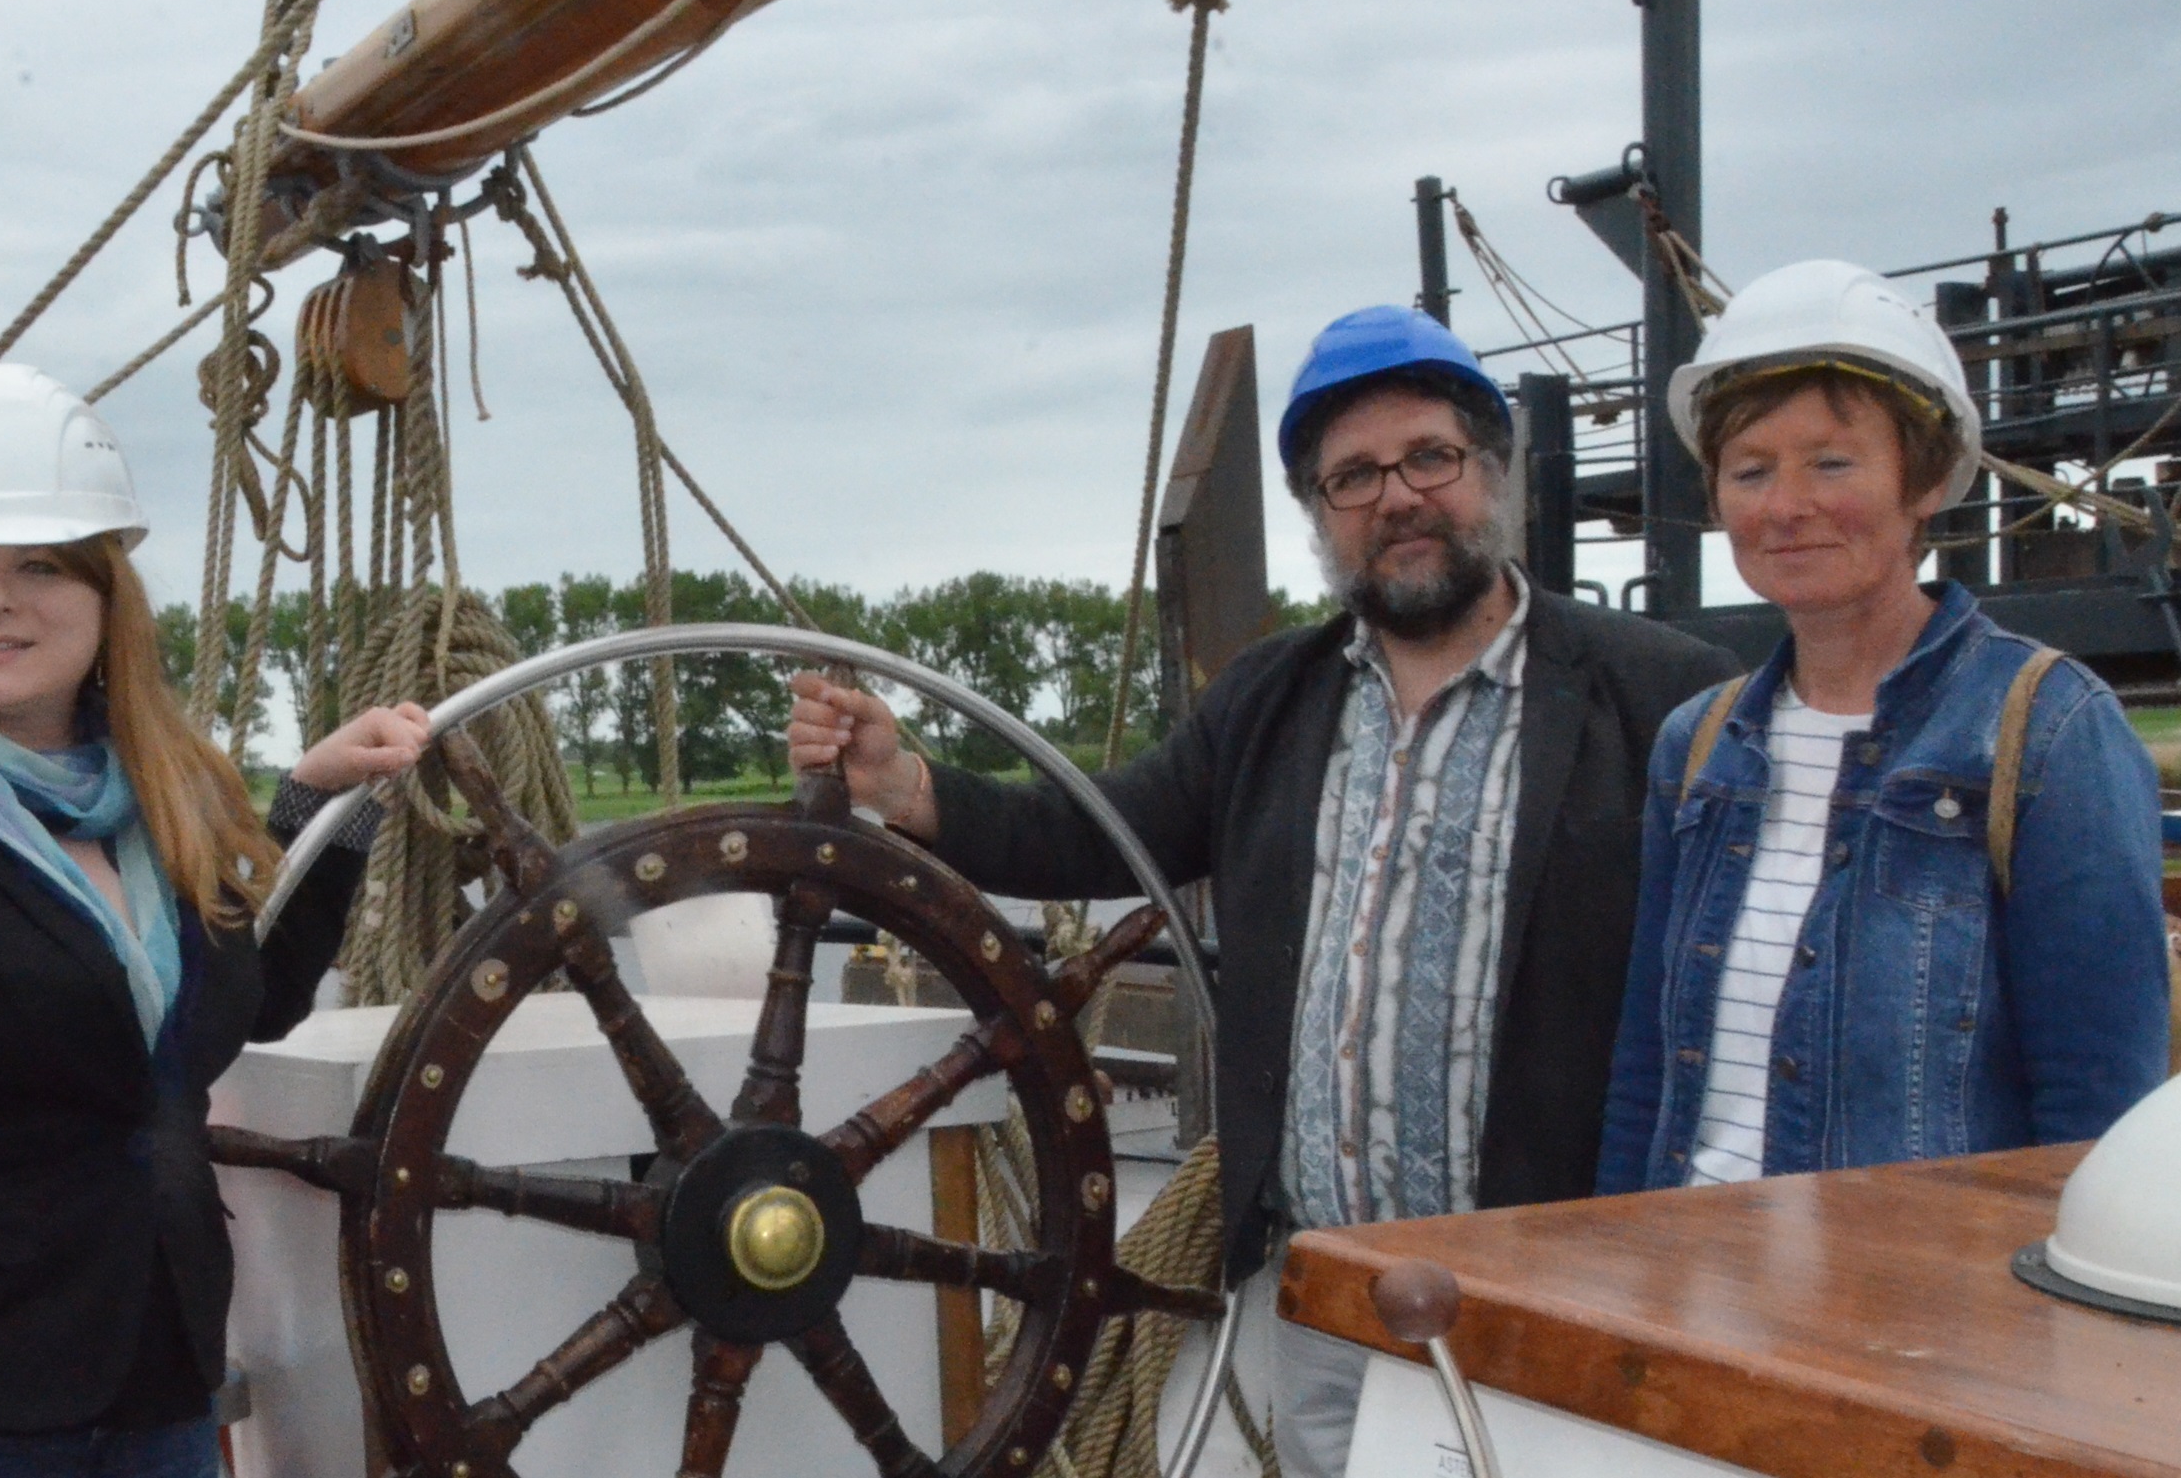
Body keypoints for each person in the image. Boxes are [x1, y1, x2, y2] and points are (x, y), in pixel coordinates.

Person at [787, 305, 1739, 1476]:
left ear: (1490, 474)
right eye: (1351, 478)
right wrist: (906, 780)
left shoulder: (1664, 698)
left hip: (1559, 1292)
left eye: (1427, 458)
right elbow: (1099, 835)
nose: (1395, 497)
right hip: (1322, 1288)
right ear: (1319, 516)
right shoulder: (1269, 703)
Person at [0, 367, 428, 1478]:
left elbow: (241, 1009)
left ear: (105, 602)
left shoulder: (166, 816)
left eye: (40, 565)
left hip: (156, 1387)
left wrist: (317, 813)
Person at [1597, 261, 2169, 1193]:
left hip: (1910, 1317)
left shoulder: (2047, 731)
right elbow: (1646, 1069)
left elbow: (2097, 1109)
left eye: (1831, 461)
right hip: (1688, 1286)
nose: (1785, 506)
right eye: (1749, 471)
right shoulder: (1696, 745)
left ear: (1926, 479)